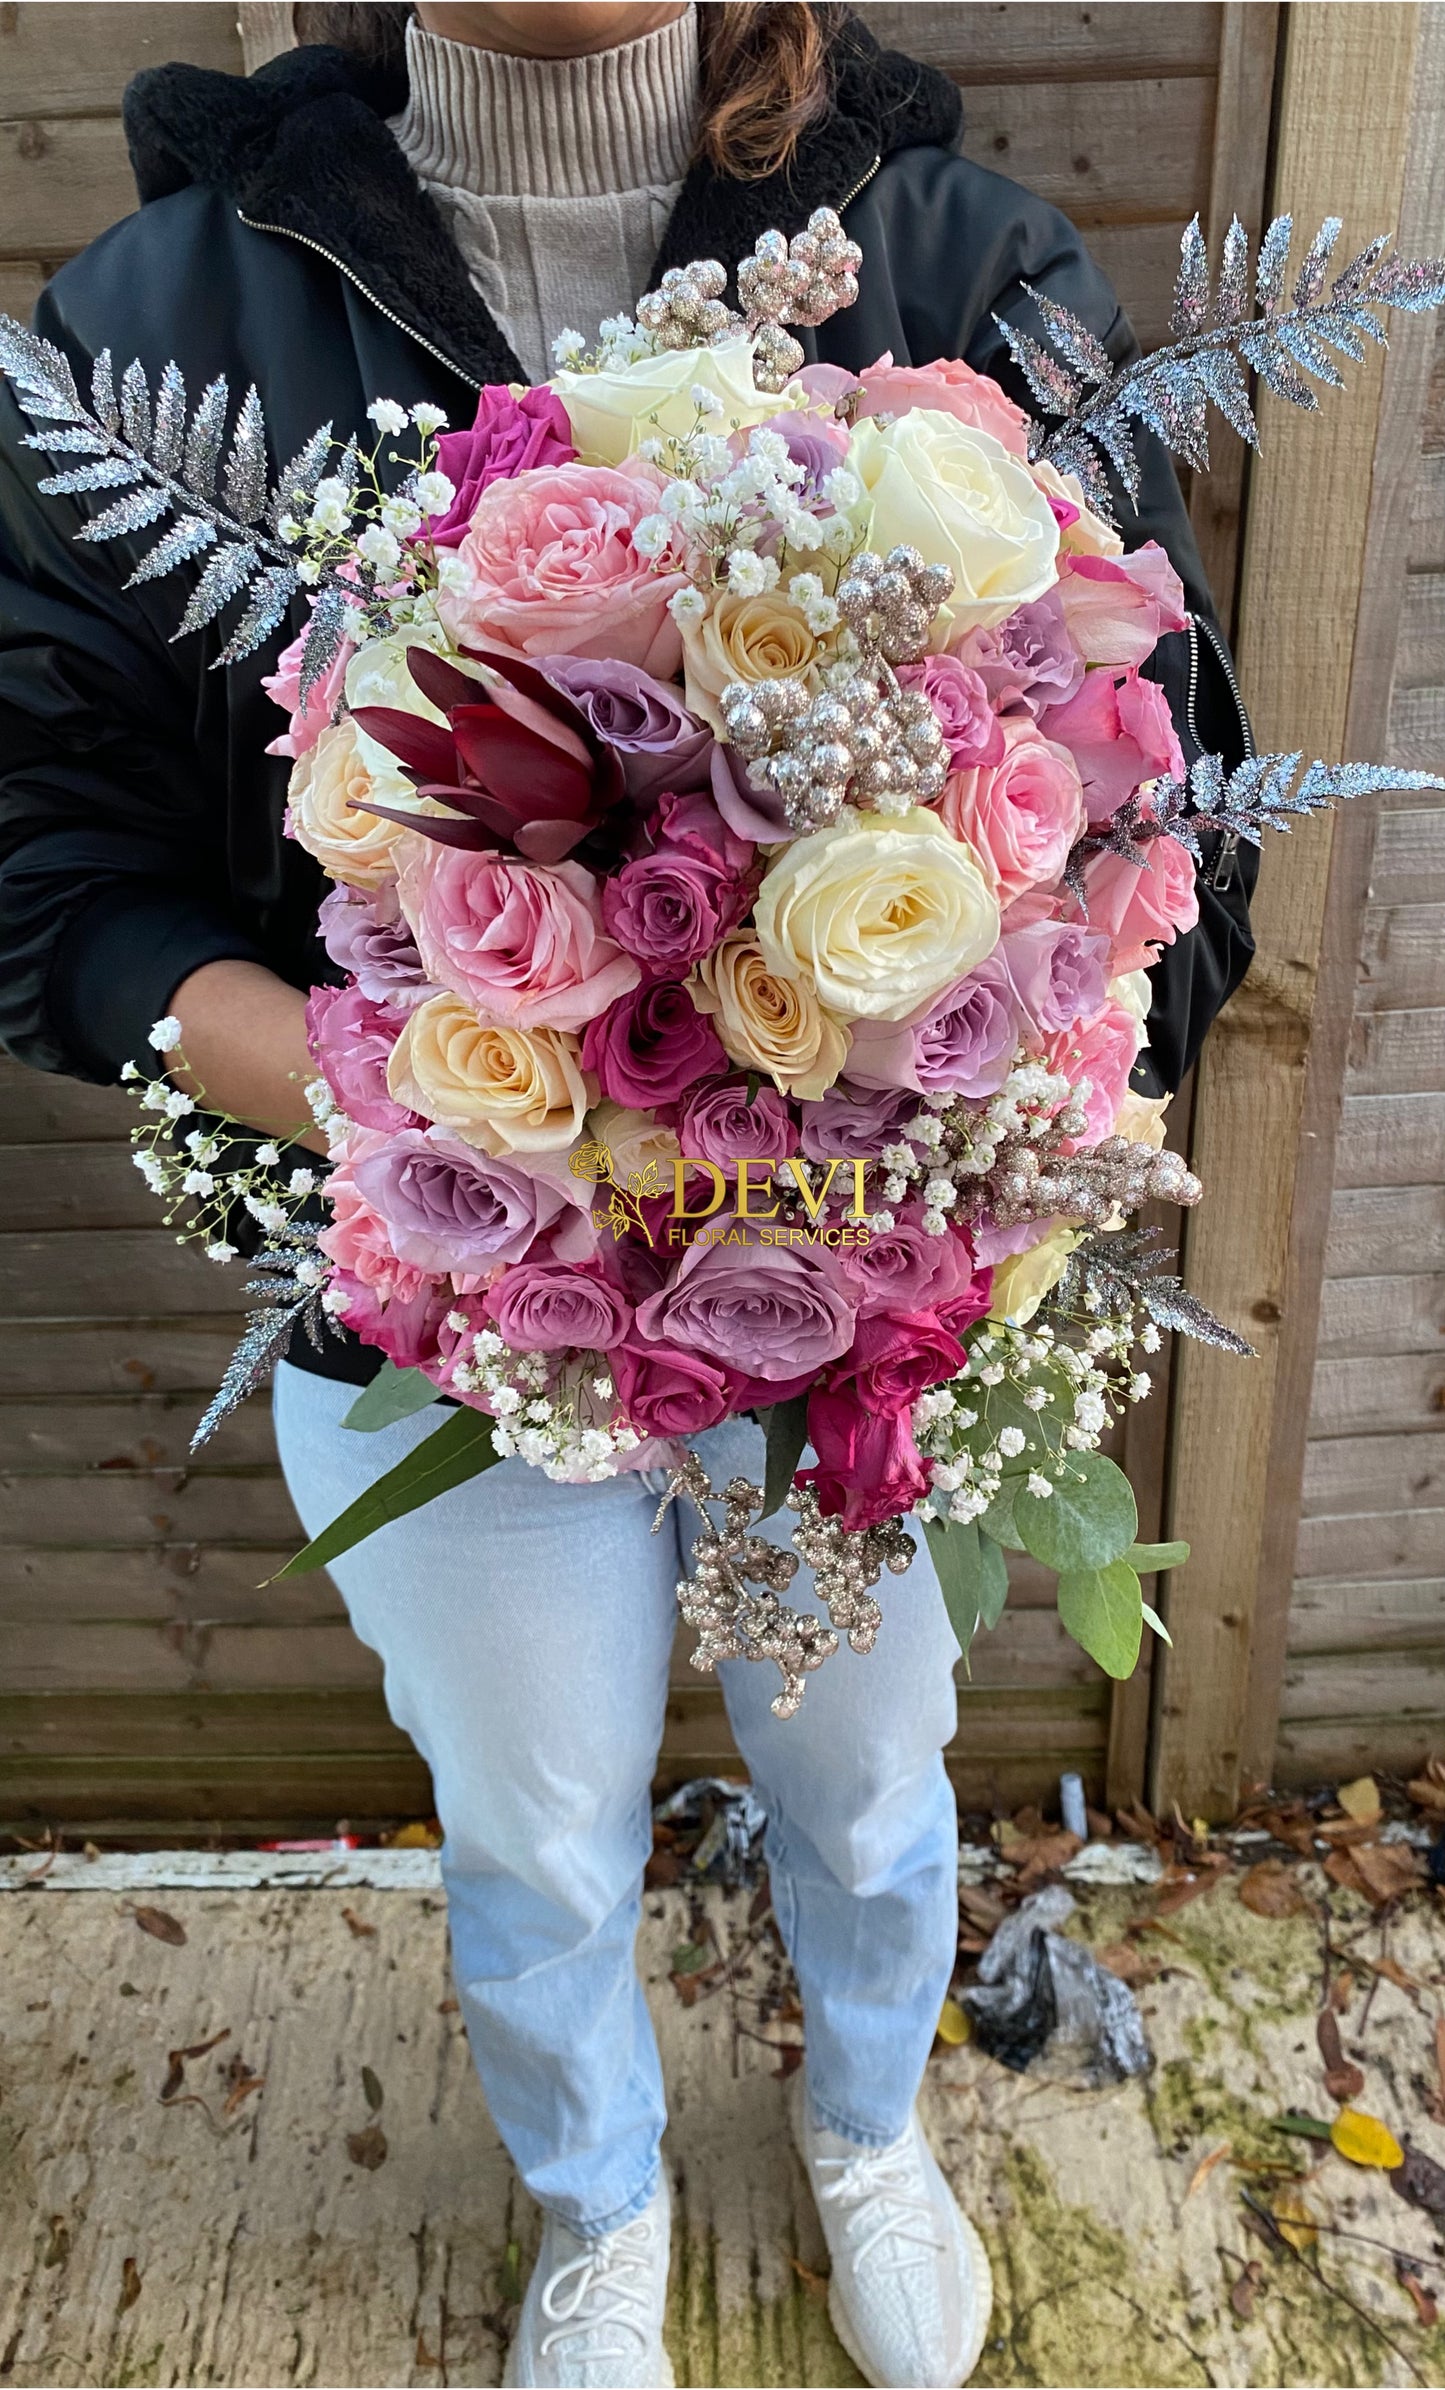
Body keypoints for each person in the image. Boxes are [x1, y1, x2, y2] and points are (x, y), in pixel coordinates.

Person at [0, 8, 1254, 2384]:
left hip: (880, 1305)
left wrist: (932, 1090)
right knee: (541, 1819)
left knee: (874, 1786)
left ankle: (871, 2116)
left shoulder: (965, 266)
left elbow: (1190, 825)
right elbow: (41, 849)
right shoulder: (164, 316)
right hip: (428, 1282)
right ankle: (600, 2194)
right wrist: (432, 1097)